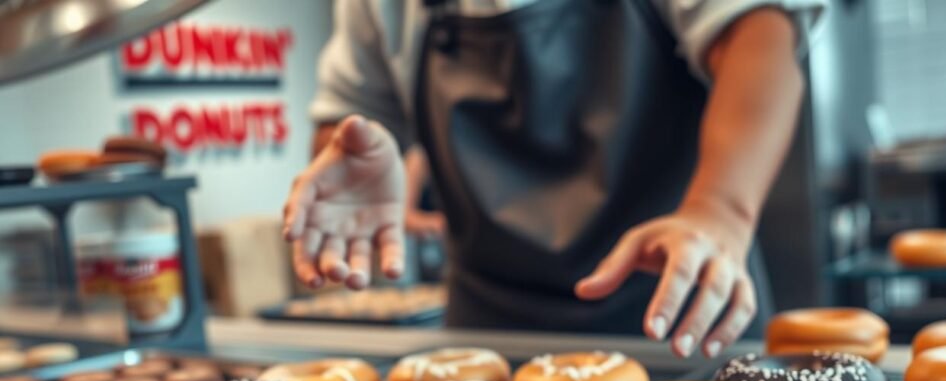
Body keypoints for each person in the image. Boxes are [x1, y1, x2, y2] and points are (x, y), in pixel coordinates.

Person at [284, 0, 824, 358]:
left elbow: (760, 36)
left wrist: (720, 210)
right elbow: (351, 110)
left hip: (676, 307)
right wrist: (349, 150)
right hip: (491, 328)